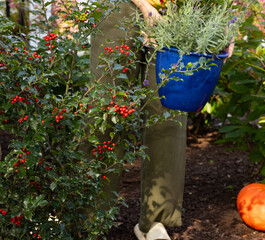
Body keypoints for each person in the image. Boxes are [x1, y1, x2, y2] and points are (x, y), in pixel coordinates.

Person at [91, 1, 233, 239]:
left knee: (168, 113)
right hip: (121, 7)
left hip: (178, 13)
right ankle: (90, 214)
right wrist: (145, 6)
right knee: (106, 108)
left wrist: (227, 27)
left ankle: (155, 220)